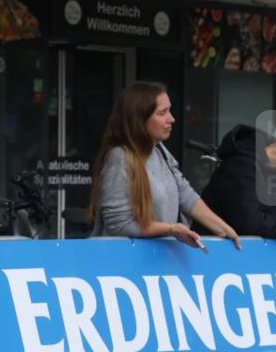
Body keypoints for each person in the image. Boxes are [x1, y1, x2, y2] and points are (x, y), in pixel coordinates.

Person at [89, 81, 240, 250]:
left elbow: (185, 194)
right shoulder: (119, 157)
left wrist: (223, 227)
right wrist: (171, 229)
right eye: (162, 113)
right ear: (139, 119)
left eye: (169, 111)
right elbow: (119, 224)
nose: (172, 119)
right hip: (124, 266)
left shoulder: (159, 149)